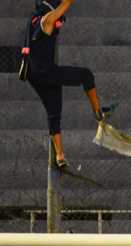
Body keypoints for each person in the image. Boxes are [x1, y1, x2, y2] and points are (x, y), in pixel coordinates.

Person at [23, 0, 111, 170]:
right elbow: (65, 4)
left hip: (34, 75)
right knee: (86, 75)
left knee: (53, 112)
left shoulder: (33, 19)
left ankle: (60, 156)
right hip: (46, 72)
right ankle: (98, 113)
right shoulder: (46, 19)